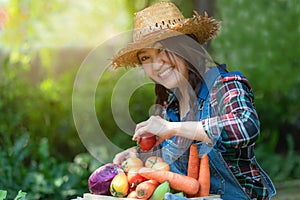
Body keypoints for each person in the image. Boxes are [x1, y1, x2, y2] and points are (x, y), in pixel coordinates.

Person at [111, 2, 276, 200]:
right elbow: (167, 162)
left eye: (163, 49)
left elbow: (245, 126)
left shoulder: (225, 85)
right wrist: (137, 156)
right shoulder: (169, 107)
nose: (157, 64)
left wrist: (173, 128)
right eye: (146, 57)